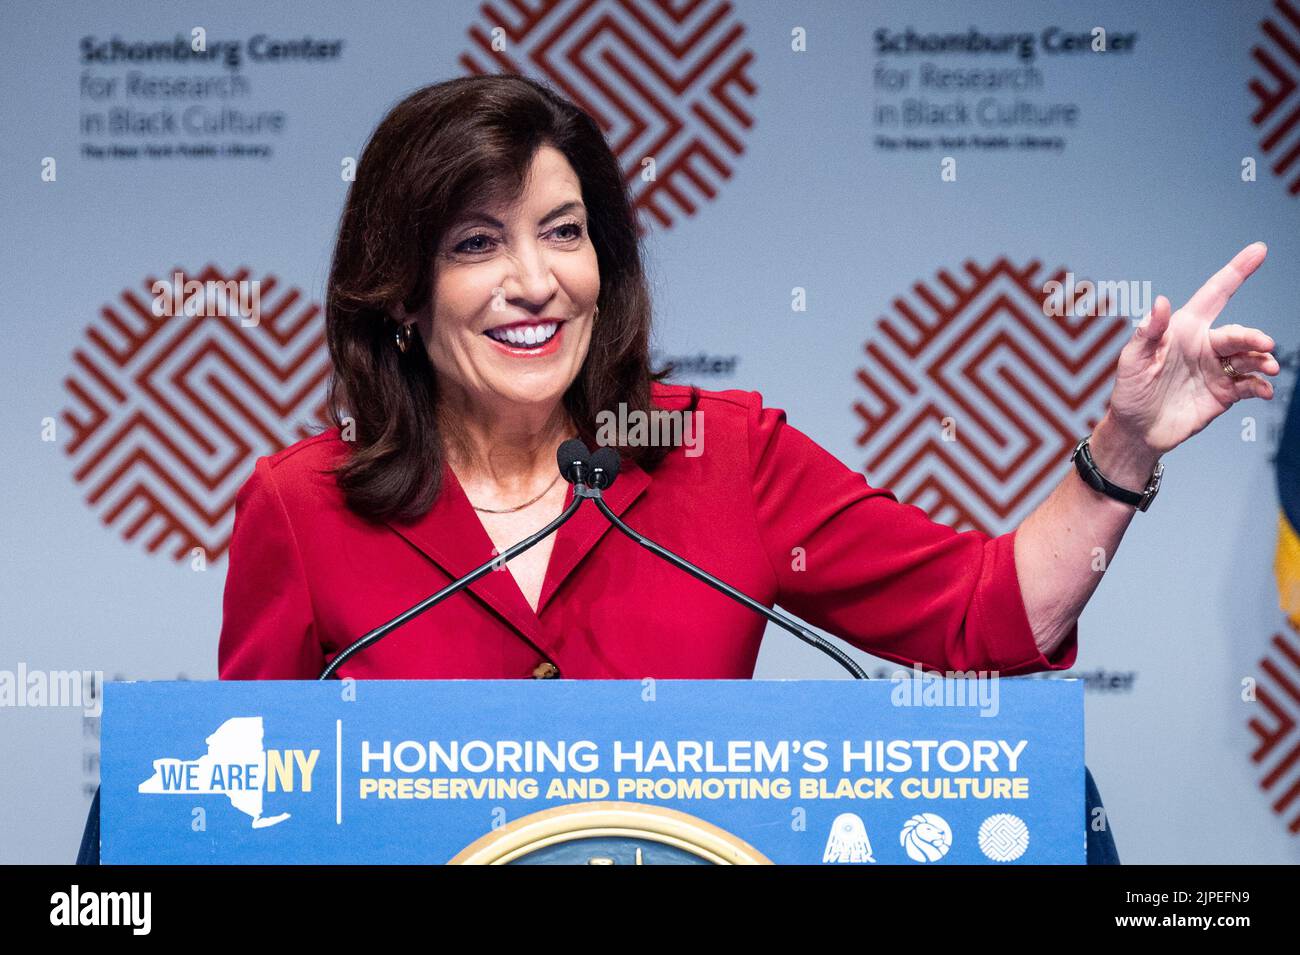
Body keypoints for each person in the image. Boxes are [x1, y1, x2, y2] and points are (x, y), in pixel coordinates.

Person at [80, 74, 1279, 864]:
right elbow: (233, 821)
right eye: (475, 244)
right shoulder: (305, 504)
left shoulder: (714, 453)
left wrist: (1122, 445)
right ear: (400, 293)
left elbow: (980, 619)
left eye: (562, 232)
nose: (534, 282)